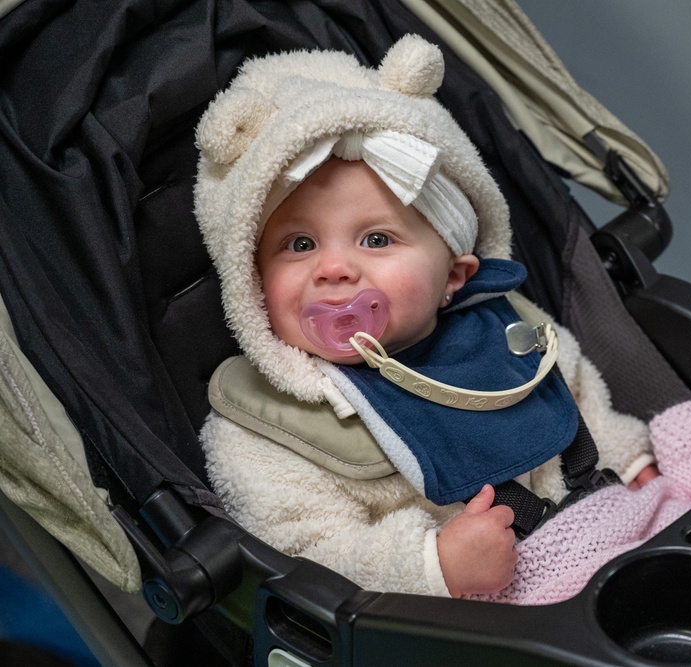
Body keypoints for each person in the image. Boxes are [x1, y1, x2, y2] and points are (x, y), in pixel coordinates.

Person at [195, 34, 659, 599]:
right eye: (298, 245)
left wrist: (628, 459)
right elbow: (303, 556)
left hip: (604, 527)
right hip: (469, 614)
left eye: (375, 237)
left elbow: (579, 394)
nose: (334, 268)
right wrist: (430, 565)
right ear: (250, 283)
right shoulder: (265, 428)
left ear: (454, 277)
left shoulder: (503, 330)